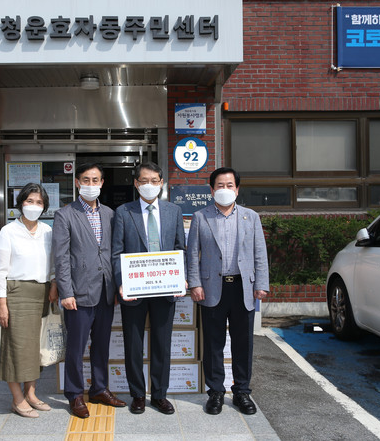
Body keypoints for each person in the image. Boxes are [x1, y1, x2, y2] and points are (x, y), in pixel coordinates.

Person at [186, 167, 269, 416]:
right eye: (220, 185)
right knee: (213, 343)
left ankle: (242, 391)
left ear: (237, 189)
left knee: (243, 343)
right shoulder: (200, 217)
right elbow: (192, 254)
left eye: (229, 185)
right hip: (212, 288)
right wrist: (195, 283)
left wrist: (261, 284)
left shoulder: (250, 217)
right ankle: (215, 392)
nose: (225, 189)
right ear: (212, 190)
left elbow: (259, 253)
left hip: (243, 287)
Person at [52, 163, 126, 419]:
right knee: (76, 347)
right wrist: (66, 292)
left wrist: (117, 285)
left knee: (102, 345)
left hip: (106, 291)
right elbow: (61, 257)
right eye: (86, 180)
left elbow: (114, 252)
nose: (91, 184)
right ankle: (74, 394)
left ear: (102, 183)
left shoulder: (110, 214)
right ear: (77, 182)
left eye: (95, 180)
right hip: (78, 293)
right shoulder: (65, 215)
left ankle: (99, 388)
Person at [112, 162, 186, 415]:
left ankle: (160, 394)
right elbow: (116, 252)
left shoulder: (174, 211)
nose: (149, 185)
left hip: (165, 288)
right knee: (133, 344)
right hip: (134, 289)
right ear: (136, 184)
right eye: (144, 181)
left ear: (161, 183)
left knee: (162, 344)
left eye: (154, 181)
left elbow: (180, 249)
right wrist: (121, 282)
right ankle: (137, 394)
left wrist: (181, 277)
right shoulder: (124, 212)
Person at [0, 182, 59, 419]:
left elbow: (53, 263)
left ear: (45, 207)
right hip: (17, 294)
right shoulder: (8, 231)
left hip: (42, 293)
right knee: (17, 347)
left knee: (35, 348)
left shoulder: (48, 231)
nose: (34, 206)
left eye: (39, 202)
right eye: (30, 201)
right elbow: (0, 271)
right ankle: (17, 399)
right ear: (21, 203)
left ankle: (31, 394)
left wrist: (53, 284)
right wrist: (1, 304)